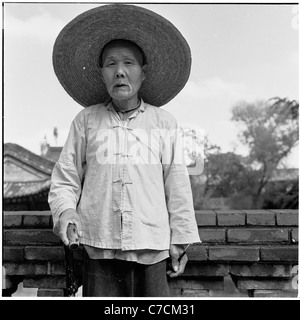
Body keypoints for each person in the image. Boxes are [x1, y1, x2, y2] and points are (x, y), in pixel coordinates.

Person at [49, 4, 201, 297]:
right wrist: (66, 212)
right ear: (101, 73)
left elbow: (177, 183)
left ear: (143, 73)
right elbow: (66, 178)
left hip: (152, 246)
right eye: (110, 64)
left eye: (128, 63)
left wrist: (180, 239)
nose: (120, 72)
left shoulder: (163, 122)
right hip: (98, 245)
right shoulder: (86, 121)